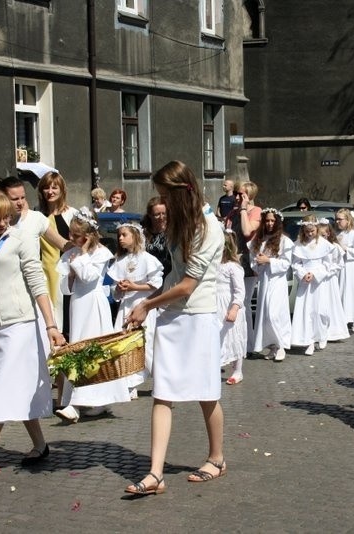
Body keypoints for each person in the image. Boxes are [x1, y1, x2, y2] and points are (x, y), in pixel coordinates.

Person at [124, 160, 226, 496]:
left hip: (198, 317)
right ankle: (155, 474)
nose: (162, 203)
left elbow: (188, 286)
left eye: (165, 195)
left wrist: (146, 305)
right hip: (171, 316)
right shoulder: (180, 224)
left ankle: (217, 457)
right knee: (162, 394)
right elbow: (172, 278)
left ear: (183, 192)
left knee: (205, 394)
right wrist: (150, 301)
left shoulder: (209, 228)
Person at [0, 188, 66, 485]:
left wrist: (50, 325)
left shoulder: (19, 240)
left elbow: (37, 281)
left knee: (1, 391)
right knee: (14, 389)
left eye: (7, 216)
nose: (4, 222)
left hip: (21, 324)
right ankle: (41, 445)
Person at [55, 208, 130, 422]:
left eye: (77, 236)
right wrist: (70, 273)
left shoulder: (102, 253)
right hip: (78, 305)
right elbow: (66, 287)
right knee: (78, 346)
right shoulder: (72, 253)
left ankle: (75, 404)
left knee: (92, 349)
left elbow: (89, 276)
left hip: (94, 305)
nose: (71, 239)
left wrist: (83, 255)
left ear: (88, 236)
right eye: (71, 234)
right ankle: (97, 400)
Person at [107, 221, 164, 397]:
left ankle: (160, 380)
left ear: (135, 236)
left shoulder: (147, 259)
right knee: (125, 344)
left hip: (143, 305)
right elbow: (115, 292)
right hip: (126, 307)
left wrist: (135, 287)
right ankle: (130, 383)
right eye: (119, 236)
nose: (121, 238)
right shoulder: (120, 260)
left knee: (146, 343)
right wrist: (119, 289)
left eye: (124, 235)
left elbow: (156, 285)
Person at [250, 207, 294, 361]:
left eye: (272, 221)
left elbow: (286, 263)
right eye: (267, 220)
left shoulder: (284, 241)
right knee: (265, 315)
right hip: (264, 280)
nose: (269, 223)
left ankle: (281, 344)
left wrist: (269, 260)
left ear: (277, 222)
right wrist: (258, 262)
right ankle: (272, 346)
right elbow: (253, 260)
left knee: (274, 313)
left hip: (277, 280)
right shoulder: (259, 240)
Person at [37, 171, 78, 338]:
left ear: (62, 190)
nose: (50, 192)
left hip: (65, 274)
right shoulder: (37, 216)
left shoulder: (72, 214)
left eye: (54, 188)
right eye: (46, 188)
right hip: (43, 272)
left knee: (65, 316)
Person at [225, 181, 262, 353]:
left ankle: (249, 343)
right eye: (237, 194)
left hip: (247, 263)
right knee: (231, 302)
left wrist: (243, 210)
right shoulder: (232, 212)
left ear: (249, 196)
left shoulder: (256, 211)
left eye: (241, 194)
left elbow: (247, 232)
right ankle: (234, 342)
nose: (237, 197)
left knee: (244, 303)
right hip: (231, 261)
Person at [290, 215, 334, 355]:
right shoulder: (298, 245)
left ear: (316, 229)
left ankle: (322, 334)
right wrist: (303, 273)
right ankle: (309, 341)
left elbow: (328, 264)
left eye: (312, 231)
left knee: (319, 310)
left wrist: (315, 274)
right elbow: (295, 263)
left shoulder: (324, 244)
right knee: (306, 311)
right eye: (307, 231)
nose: (310, 234)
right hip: (305, 282)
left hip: (318, 281)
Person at [218, 230, 248, 385]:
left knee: (233, 337)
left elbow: (239, 290)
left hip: (229, 305)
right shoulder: (214, 265)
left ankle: (237, 370)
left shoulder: (233, 267)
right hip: (215, 306)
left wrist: (235, 308)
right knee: (217, 338)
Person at [318, 219, 350, 344]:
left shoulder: (334, 247)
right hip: (319, 280)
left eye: (324, 235)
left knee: (330, 302)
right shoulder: (316, 247)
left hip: (330, 279)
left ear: (329, 234)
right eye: (319, 235)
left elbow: (339, 264)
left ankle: (333, 330)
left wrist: (329, 271)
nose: (322, 237)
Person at [141, 196, 172, 281]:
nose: (161, 217)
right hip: (148, 279)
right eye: (157, 214)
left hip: (168, 278)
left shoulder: (173, 233)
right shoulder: (142, 234)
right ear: (150, 215)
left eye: (164, 213)